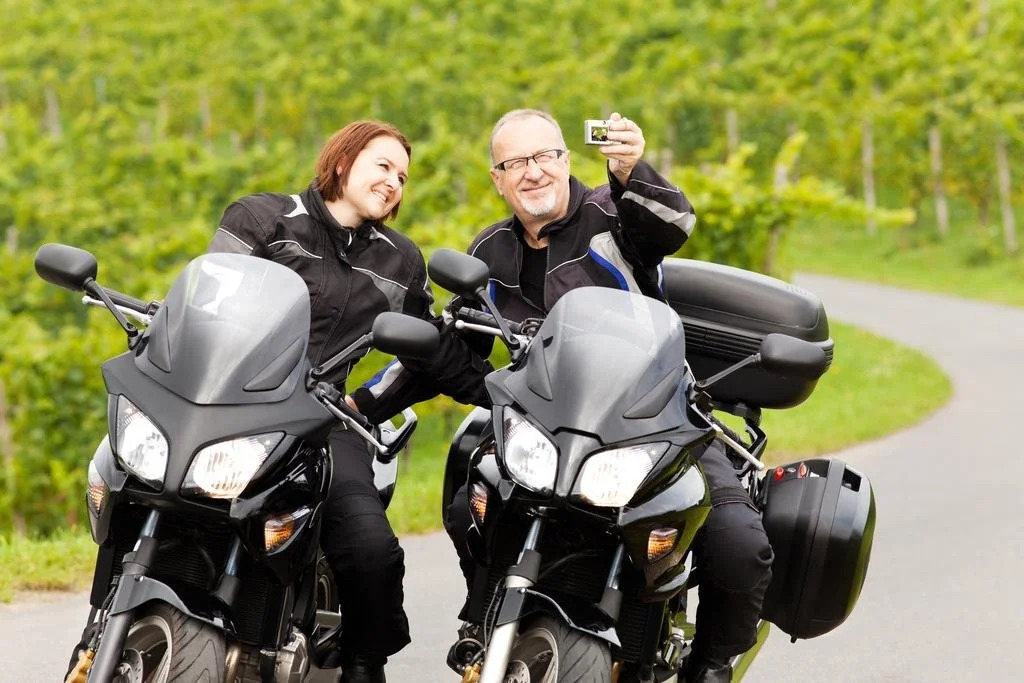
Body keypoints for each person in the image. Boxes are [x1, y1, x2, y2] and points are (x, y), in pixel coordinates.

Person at [444, 109, 772, 683]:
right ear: (498, 179)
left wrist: (630, 171)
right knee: (470, 487)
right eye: (515, 163)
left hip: (654, 417)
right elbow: (461, 340)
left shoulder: (614, 215)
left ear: (567, 159)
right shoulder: (489, 249)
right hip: (546, 429)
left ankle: (710, 666)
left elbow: (674, 224)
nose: (533, 172)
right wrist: (369, 401)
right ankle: (482, 616)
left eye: (544, 156)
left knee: (738, 545)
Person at [208, 120, 491, 683]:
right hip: (228, 404)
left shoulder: (400, 261)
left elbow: (428, 352)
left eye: (402, 177)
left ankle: (363, 661)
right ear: (341, 160)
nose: (393, 182)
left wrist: (505, 392)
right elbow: (208, 301)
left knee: (370, 549)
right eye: (382, 166)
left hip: (321, 418)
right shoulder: (261, 219)